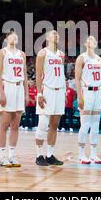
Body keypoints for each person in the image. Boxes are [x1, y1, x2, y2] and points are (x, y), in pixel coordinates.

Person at [0, 31, 29, 167]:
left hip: (19, 88)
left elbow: (25, 75)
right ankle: (2, 156)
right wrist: (2, 93)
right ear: (6, 39)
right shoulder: (1, 53)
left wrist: (26, 93)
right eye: (12, 35)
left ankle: (12, 155)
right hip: (7, 87)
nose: (15, 37)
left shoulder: (22, 54)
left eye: (16, 35)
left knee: (15, 125)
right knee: (4, 124)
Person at [34, 30, 65, 166]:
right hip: (47, 90)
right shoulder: (42, 53)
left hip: (59, 91)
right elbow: (38, 74)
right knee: (43, 124)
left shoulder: (61, 54)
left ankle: (50, 155)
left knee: (55, 124)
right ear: (47, 38)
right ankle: (39, 155)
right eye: (53, 34)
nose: (56, 35)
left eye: (57, 34)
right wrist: (39, 94)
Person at [75, 36, 101, 164]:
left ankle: (93, 154)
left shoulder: (100, 59)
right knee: (85, 124)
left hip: (98, 91)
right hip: (86, 91)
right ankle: (81, 154)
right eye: (89, 39)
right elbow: (77, 79)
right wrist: (79, 96)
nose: (91, 41)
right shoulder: (81, 58)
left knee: (95, 124)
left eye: (93, 40)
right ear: (85, 43)